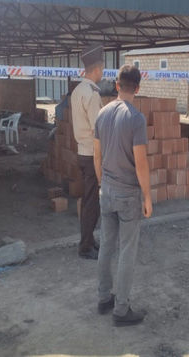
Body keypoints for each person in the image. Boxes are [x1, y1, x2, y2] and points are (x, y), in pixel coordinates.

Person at [93, 64, 152, 327]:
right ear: (137, 88)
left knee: (106, 246)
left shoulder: (102, 113)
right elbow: (141, 163)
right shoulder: (136, 119)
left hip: (106, 190)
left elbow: (97, 156)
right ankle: (121, 310)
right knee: (127, 251)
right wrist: (147, 197)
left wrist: (102, 183)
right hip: (128, 195)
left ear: (117, 85)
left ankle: (104, 298)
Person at [71, 44, 104, 260]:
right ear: (98, 68)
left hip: (82, 152)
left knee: (89, 199)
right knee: (92, 203)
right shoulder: (92, 94)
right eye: (102, 68)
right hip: (92, 154)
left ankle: (89, 240)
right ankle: (85, 246)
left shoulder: (78, 90)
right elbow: (97, 130)